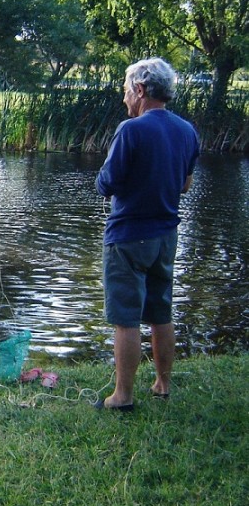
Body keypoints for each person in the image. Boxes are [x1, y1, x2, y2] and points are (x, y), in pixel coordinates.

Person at [95, 57, 200, 411]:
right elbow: (185, 184)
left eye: (127, 91)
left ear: (140, 90)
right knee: (161, 311)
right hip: (167, 235)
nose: (125, 98)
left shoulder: (131, 129)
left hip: (127, 235)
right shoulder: (187, 130)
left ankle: (122, 396)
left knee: (125, 317)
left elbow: (107, 183)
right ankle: (162, 383)